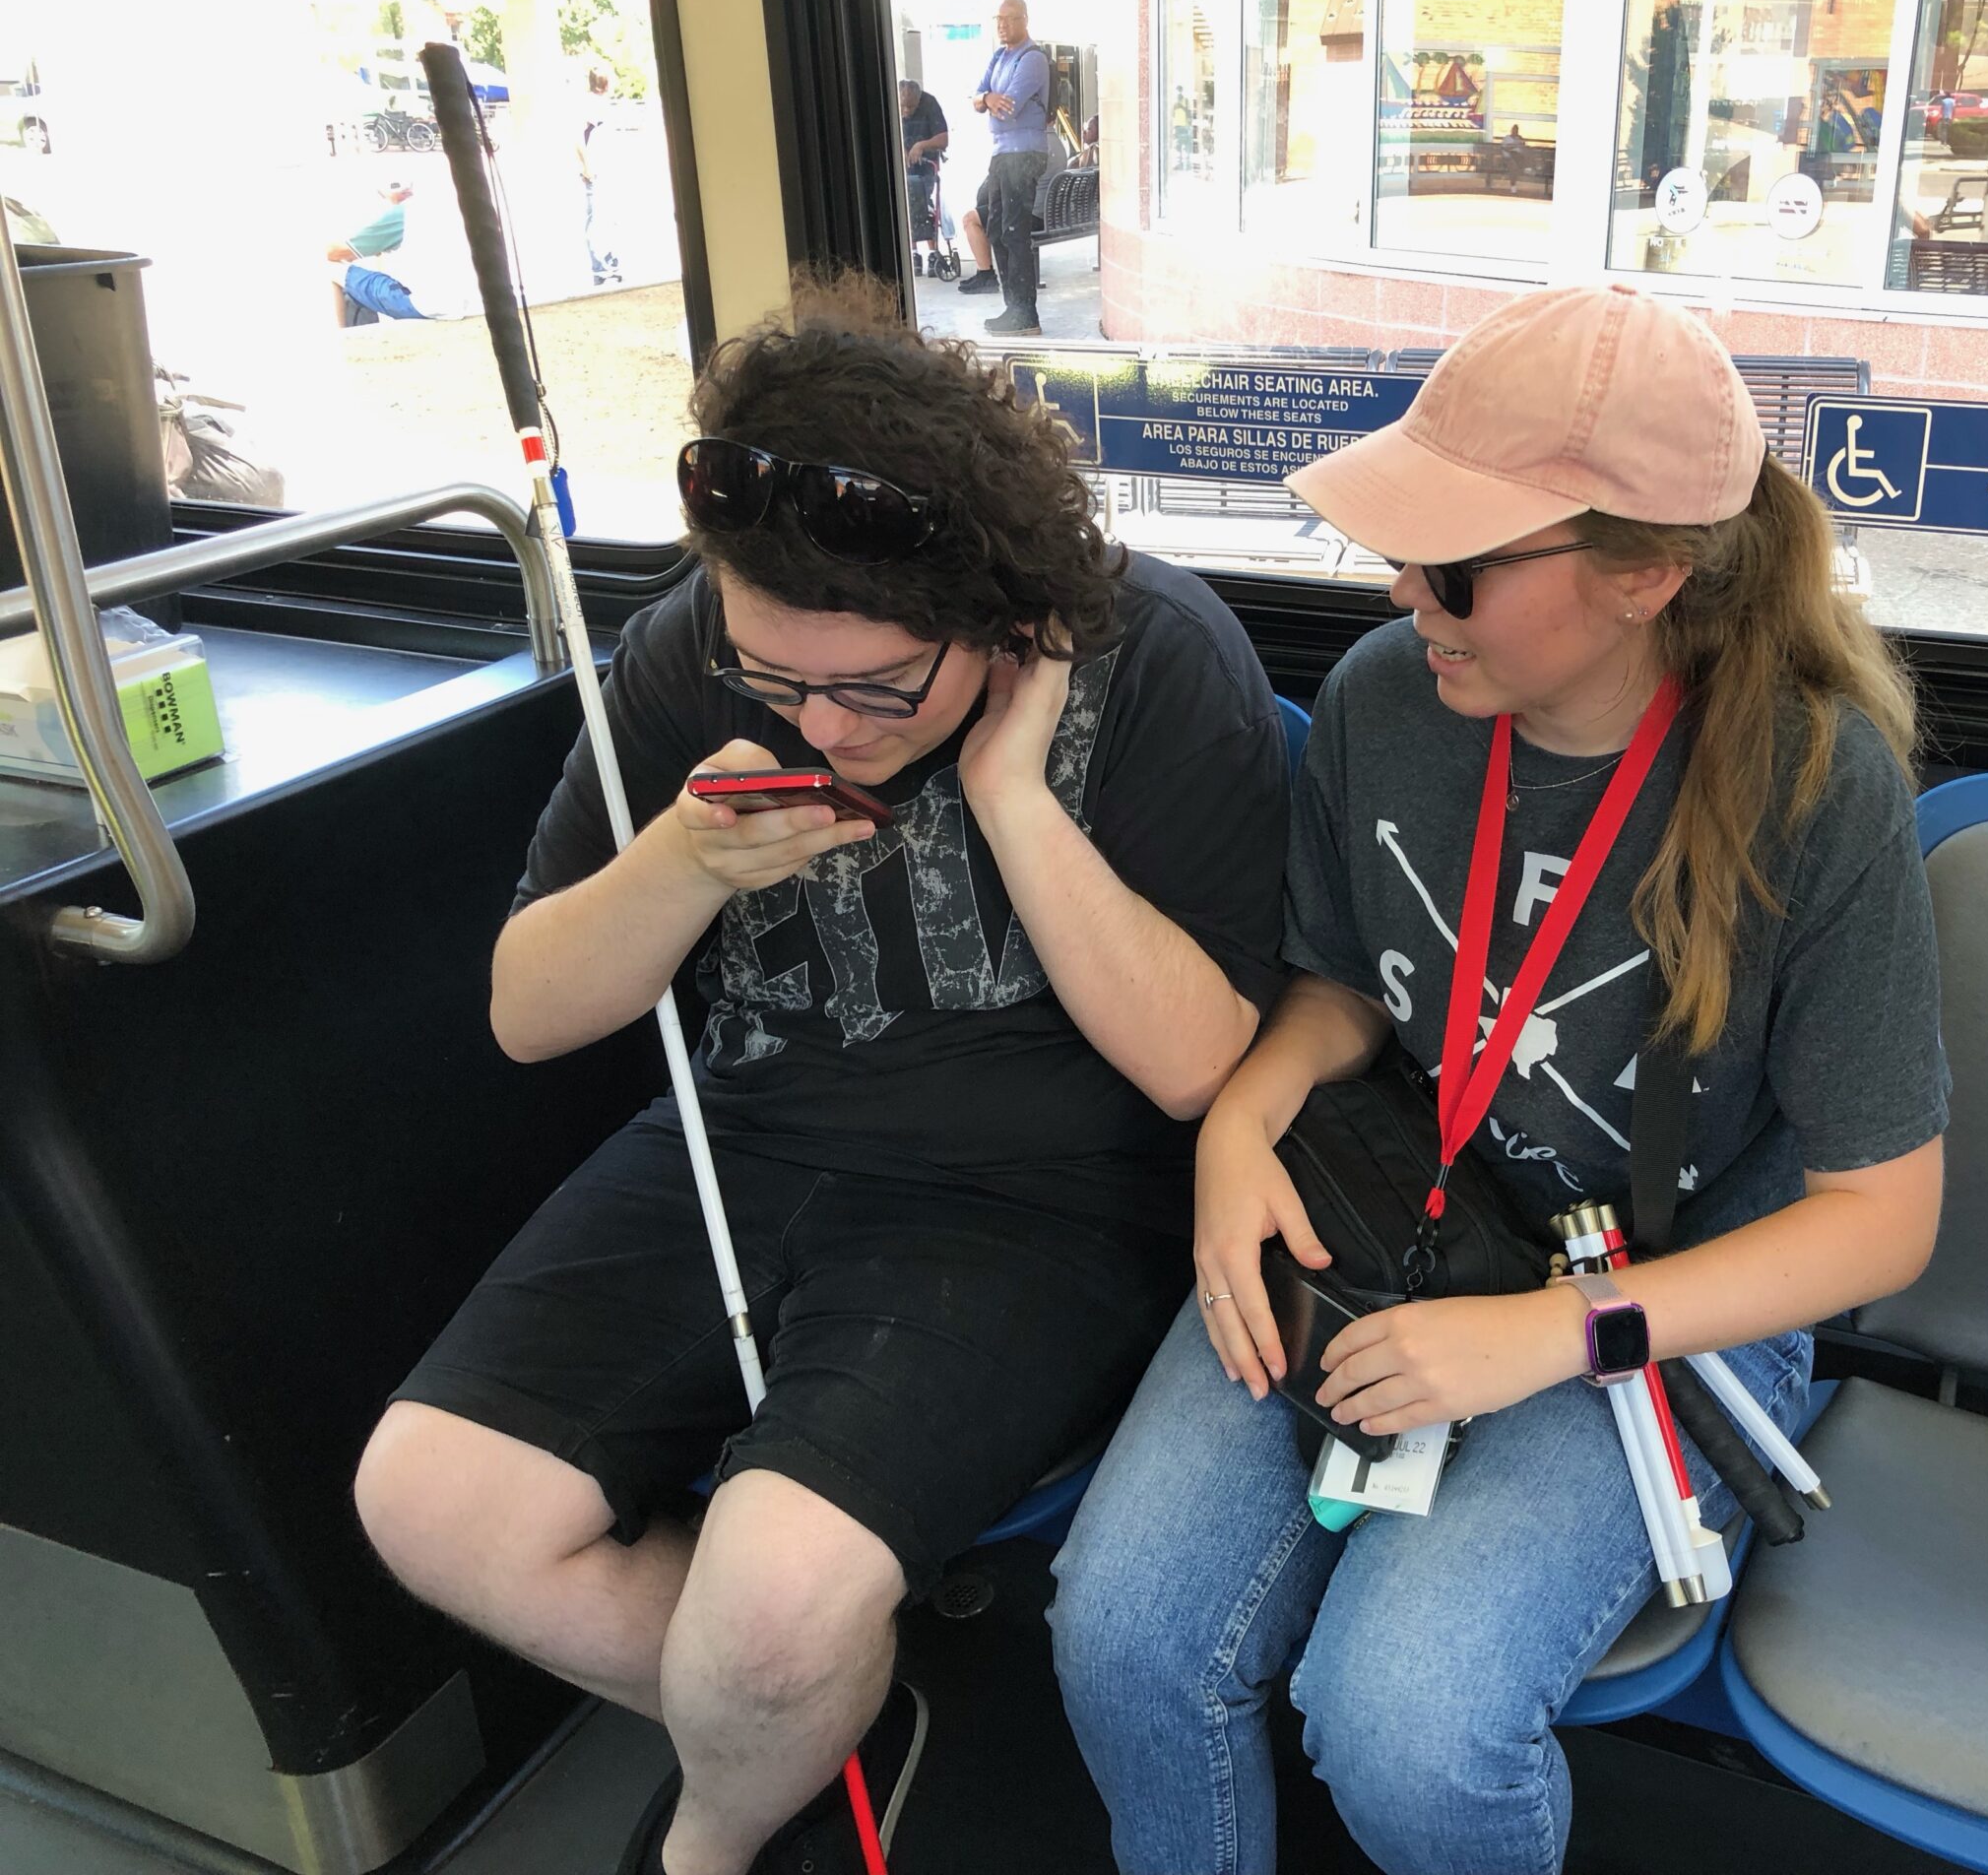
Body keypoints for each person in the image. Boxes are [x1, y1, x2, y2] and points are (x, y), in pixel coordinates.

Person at [353, 268, 1290, 1875]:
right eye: (776, 676)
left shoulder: (1155, 653)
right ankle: (803, 1714)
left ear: (999, 615)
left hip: (1039, 1202)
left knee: (771, 1607)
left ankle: (711, 1837)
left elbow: (1205, 1069)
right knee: (426, 1498)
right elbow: (528, 1011)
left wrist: (1012, 792)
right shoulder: (682, 657)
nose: (824, 725)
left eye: (873, 687)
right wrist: (681, 864)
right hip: (741, 1144)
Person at [1050, 283, 1950, 1875]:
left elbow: (1880, 1219)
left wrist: (1547, 1336)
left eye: (1455, 564)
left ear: (1645, 579)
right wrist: (1247, 1114)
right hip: (1398, 1211)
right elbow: (1344, 983)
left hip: (1656, 1300)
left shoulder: (1815, 787)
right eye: (1405, 548)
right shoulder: (1395, 702)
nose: (1406, 592)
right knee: (1122, 1643)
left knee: (1404, 1730)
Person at [957, 0, 1051, 335]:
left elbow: (1008, 108)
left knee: (1014, 231)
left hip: (1023, 155)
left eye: (1009, 19)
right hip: (1001, 155)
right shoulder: (999, 56)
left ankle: (1025, 313)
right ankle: (1012, 307)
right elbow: (977, 98)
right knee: (995, 227)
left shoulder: (1032, 59)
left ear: (1025, 20)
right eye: (998, 18)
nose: (1002, 24)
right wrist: (985, 98)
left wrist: (991, 101)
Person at [324, 178, 451, 326]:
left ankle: (343, 339)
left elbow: (334, 253)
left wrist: (390, 206)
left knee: (330, 268)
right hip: (471, 301)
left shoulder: (403, 214)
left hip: (428, 307)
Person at [898, 77, 950, 268]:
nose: (906, 111)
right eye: (903, 106)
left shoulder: (930, 104)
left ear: (919, 100)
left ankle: (932, 250)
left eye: (910, 107)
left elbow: (944, 139)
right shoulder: (892, 105)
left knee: (920, 198)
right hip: (902, 168)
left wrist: (921, 145)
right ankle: (912, 252)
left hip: (926, 165)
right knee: (905, 200)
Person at [579, 63, 621, 287]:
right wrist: (587, 167)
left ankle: (611, 263)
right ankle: (602, 267)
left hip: (605, 168)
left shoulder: (599, 104)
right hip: (597, 171)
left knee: (608, 218)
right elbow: (577, 136)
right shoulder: (592, 105)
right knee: (597, 219)